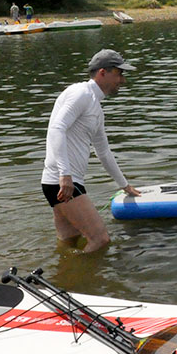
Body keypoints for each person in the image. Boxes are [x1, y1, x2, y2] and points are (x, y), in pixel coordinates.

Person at [41, 49, 141, 252]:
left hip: (61, 183)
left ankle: (68, 279)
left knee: (70, 241)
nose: (122, 80)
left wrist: (125, 186)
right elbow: (56, 128)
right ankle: (83, 275)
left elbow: (103, 152)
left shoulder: (95, 107)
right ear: (103, 72)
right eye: (119, 74)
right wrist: (65, 175)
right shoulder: (81, 94)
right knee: (100, 239)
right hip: (63, 183)